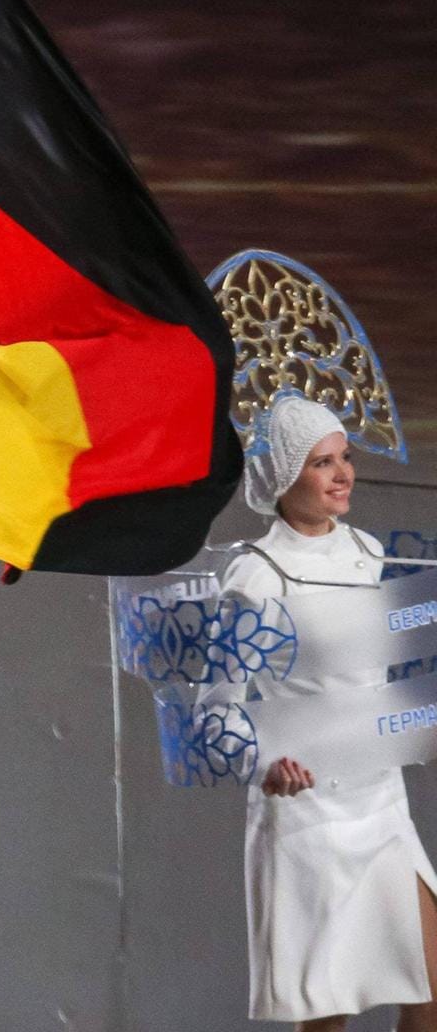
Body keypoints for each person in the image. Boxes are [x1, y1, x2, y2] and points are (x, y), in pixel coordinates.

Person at [219, 395, 437, 1031]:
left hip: (380, 802)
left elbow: (388, 665)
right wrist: (265, 766)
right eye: (322, 463)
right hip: (309, 812)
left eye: (345, 457)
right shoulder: (256, 576)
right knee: (326, 1013)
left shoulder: (370, 552)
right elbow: (220, 713)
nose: (344, 474)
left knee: (431, 988)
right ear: (286, 478)